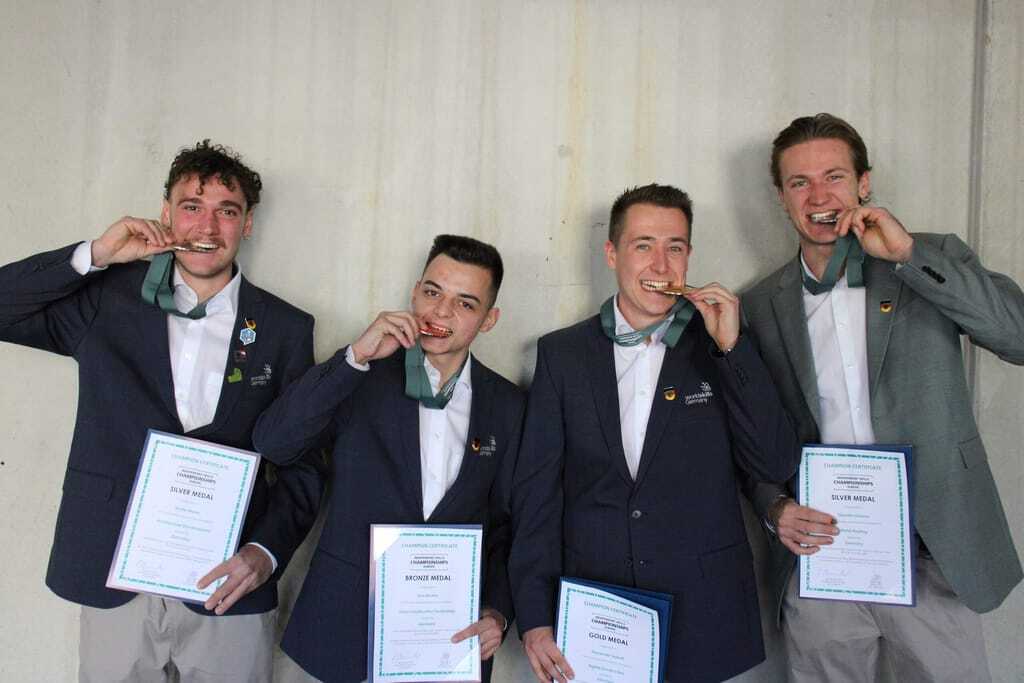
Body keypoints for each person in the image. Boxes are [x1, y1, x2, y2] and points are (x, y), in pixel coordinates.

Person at [0, 140, 323, 682]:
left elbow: (304, 461)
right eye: (192, 206)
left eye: (227, 211)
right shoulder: (105, 300)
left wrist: (265, 553)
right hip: (115, 576)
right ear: (165, 213)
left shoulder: (286, 328)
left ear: (247, 224)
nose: (208, 225)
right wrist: (96, 255)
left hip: (227, 586)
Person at [741, 112, 1024, 682]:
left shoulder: (929, 257)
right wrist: (775, 508)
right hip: (824, 556)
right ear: (781, 196)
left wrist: (907, 256)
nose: (818, 196)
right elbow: (753, 433)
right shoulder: (760, 304)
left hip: (933, 550)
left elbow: (1016, 335)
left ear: (863, 183)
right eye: (800, 182)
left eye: (834, 177)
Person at [508, 183, 800, 682]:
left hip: (704, 612)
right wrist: (534, 617)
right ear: (612, 254)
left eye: (675, 248)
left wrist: (732, 350)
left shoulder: (722, 341)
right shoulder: (562, 354)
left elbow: (774, 462)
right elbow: (538, 496)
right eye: (643, 245)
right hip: (597, 613)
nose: (660, 265)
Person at [253, 234, 523, 683]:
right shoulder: (360, 374)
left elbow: (510, 524)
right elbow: (274, 443)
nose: (441, 312)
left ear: (489, 319)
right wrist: (355, 357)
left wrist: (497, 611)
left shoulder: (509, 406)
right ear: (414, 293)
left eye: (465, 303)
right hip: (342, 633)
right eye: (433, 292)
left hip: (448, 642)